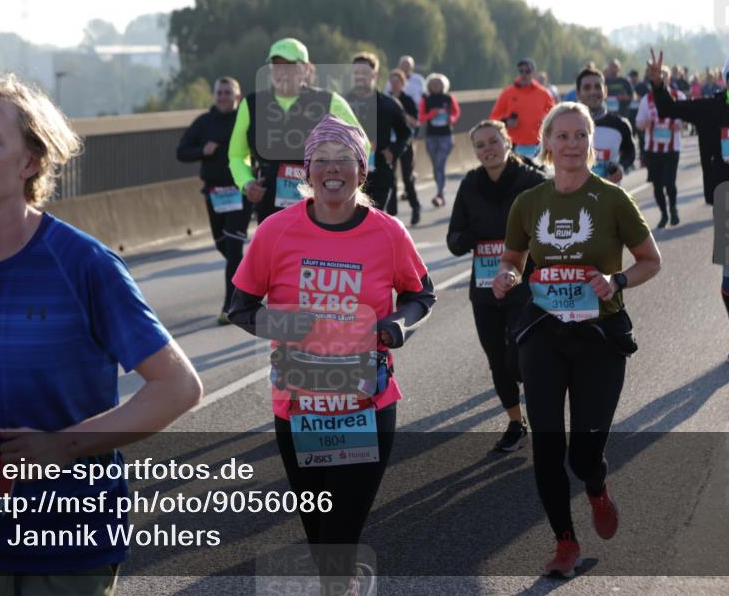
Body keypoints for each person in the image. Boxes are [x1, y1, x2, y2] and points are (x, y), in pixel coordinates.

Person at [0, 74, 203, 595]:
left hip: (73, 533)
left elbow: (178, 387)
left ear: (30, 161)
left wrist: (65, 445)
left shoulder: (84, 264)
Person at [229, 115, 434, 596]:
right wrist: (287, 325)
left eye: (344, 159)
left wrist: (397, 326)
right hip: (301, 408)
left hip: (367, 405)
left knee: (342, 530)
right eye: (321, 160)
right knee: (321, 533)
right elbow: (240, 307)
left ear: (362, 172)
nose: (332, 169)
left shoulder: (386, 233)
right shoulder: (277, 231)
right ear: (306, 171)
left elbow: (422, 294)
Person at [492, 102, 661, 578]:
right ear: (546, 143)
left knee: (582, 451)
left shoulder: (611, 199)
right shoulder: (528, 202)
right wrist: (506, 276)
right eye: (561, 136)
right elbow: (512, 258)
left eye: (579, 135)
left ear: (592, 141)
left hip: (598, 336)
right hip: (544, 333)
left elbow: (651, 259)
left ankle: (595, 483)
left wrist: (618, 281)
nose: (571, 145)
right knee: (546, 443)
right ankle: (565, 543)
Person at [648, 50, 729, 363]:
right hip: (728, 202)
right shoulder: (712, 107)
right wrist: (658, 84)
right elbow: (668, 108)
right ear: (726, 80)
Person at [447, 120, 546, 451]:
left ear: (508, 142)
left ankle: (545, 416)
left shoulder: (531, 181)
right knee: (496, 359)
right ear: (474, 151)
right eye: (480, 145)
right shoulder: (470, 184)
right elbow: (453, 237)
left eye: (493, 142)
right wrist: (467, 239)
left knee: (519, 358)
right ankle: (516, 422)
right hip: (486, 288)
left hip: (526, 283)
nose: (487, 149)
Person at [229, 37, 365, 224]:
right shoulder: (251, 104)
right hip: (270, 205)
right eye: (276, 65)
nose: (282, 71)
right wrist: (247, 183)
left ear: (306, 69)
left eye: (290, 65)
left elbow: (361, 145)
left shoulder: (330, 102)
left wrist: (343, 184)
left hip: (320, 204)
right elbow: (236, 154)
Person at [177, 77, 252, 324]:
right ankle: (250, 278)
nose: (223, 97)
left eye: (228, 93)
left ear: (237, 97)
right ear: (214, 95)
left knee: (232, 248)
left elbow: (262, 147)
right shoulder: (204, 122)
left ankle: (230, 306)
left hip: (239, 191)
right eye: (219, 92)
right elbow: (181, 152)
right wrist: (202, 151)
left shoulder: (245, 121)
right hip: (214, 194)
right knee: (224, 246)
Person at [345, 52, 411, 217]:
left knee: (373, 219)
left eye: (364, 72)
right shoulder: (342, 103)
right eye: (356, 72)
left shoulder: (389, 105)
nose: (360, 77)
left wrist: (393, 151)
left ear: (375, 74)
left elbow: (405, 133)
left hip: (380, 173)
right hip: (349, 172)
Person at [635, 65, 687, 228]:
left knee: (669, 182)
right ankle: (664, 214)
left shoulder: (678, 96)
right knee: (657, 185)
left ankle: (673, 208)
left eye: (664, 75)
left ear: (670, 78)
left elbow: (686, 119)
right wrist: (645, 123)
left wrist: (679, 124)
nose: (661, 77)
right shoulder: (647, 99)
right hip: (653, 149)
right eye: (658, 75)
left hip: (672, 148)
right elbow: (638, 123)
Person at [576, 67, 636, 182]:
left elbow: (630, 151)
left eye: (597, 87)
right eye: (587, 88)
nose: (593, 91)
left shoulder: (620, 124)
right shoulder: (566, 124)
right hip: (575, 197)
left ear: (605, 92)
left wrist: (621, 166)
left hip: (610, 197)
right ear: (578, 93)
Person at [489, 58, 555, 159]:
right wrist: (505, 122)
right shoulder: (507, 93)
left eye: (527, 71)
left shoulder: (544, 94)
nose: (524, 74)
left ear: (534, 74)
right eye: (521, 71)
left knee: (538, 174)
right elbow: (493, 118)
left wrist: (547, 120)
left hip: (538, 146)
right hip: (513, 146)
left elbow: (555, 116)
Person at [419, 73, 460, 207]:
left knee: (440, 164)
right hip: (431, 136)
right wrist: (432, 114)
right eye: (434, 83)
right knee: (436, 165)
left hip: (446, 136)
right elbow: (422, 118)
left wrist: (451, 119)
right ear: (429, 85)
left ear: (444, 85)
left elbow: (456, 112)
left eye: (439, 83)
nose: (436, 86)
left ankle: (440, 194)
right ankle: (440, 190)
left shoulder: (448, 98)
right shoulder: (426, 99)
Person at [388, 69, 421, 225]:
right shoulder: (384, 99)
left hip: (405, 142)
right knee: (391, 179)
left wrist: (403, 115)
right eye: (392, 81)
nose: (394, 85)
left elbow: (416, 122)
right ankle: (392, 214)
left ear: (403, 84)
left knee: (407, 178)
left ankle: (415, 207)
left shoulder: (407, 100)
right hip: (389, 143)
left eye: (397, 82)